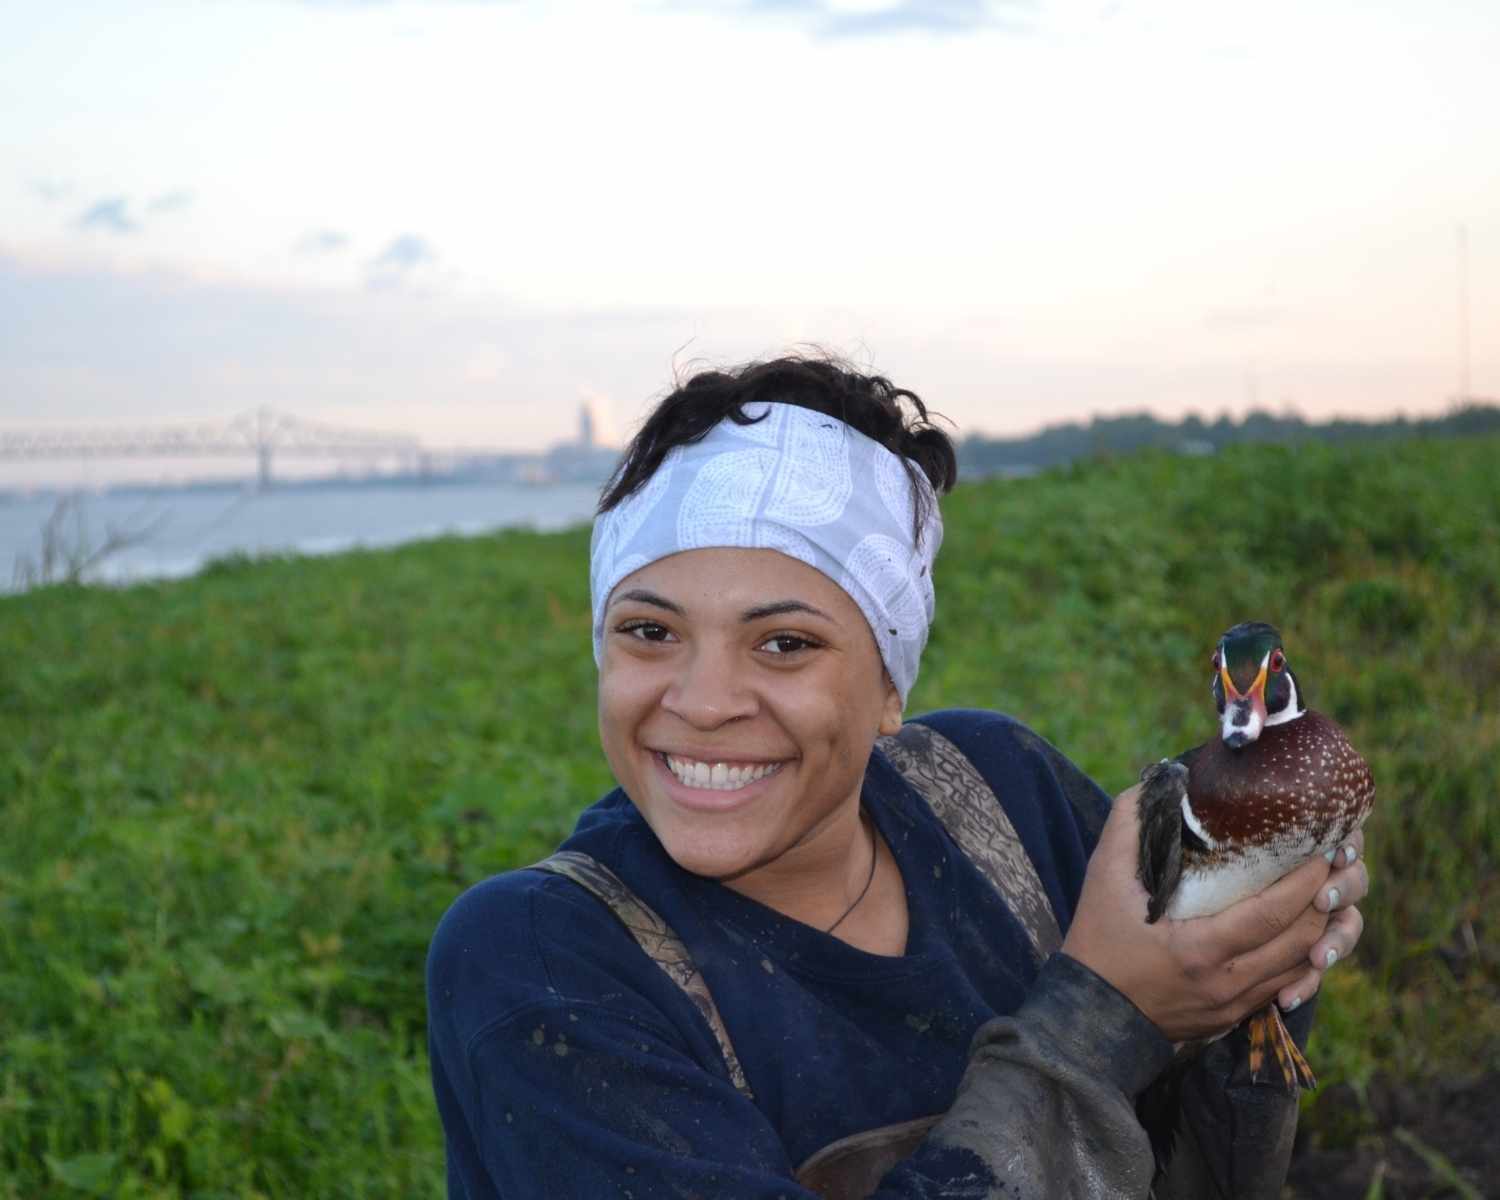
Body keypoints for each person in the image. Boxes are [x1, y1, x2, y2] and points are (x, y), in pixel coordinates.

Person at [426, 357, 1369, 1199]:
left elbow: (1216, 1135)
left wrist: (1264, 932)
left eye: (784, 643)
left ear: (889, 686)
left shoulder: (1002, 788)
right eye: (649, 631)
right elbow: (1124, 1017)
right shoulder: (540, 963)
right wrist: (1101, 1020)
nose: (704, 701)